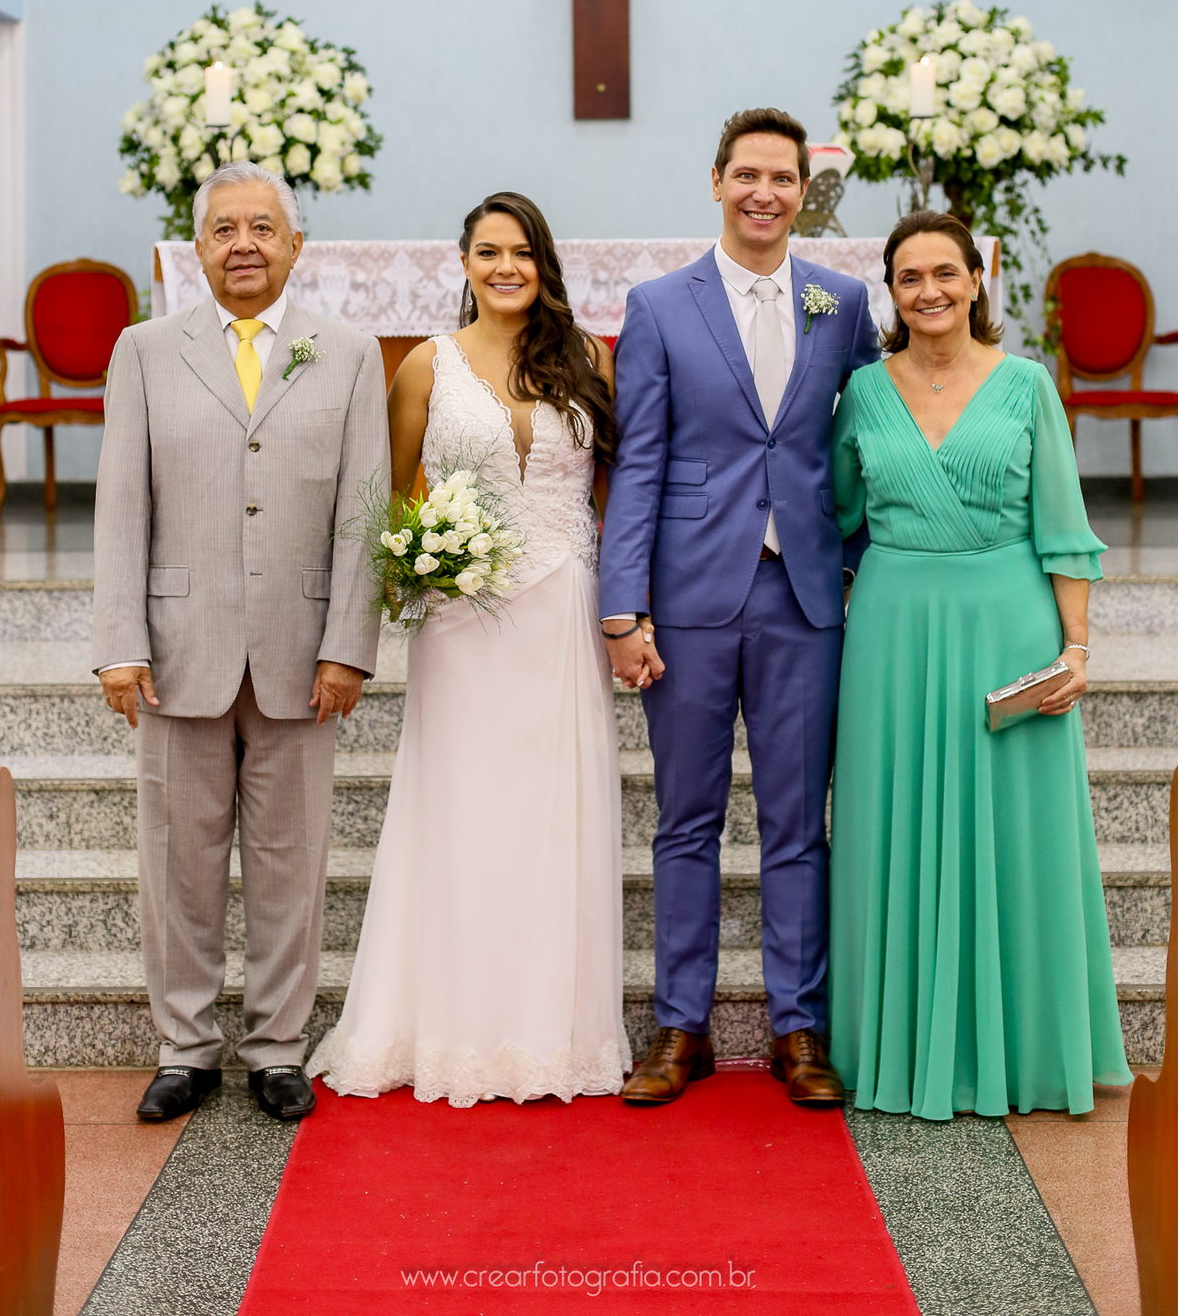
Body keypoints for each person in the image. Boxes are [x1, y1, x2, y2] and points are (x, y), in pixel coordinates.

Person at [309, 192, 630, 1106]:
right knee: (460, 813)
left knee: (553, 816)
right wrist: (414, 563)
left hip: (563, 606)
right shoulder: (426, 365)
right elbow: (383, 494)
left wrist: (629, 608)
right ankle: (446, 1025)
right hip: (461, 623)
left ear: (544, 262)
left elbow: (616, 492)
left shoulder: (589, 360)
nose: (505, 267)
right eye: (488, 251)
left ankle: (550, 1031)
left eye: (521, 251)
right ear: (463, 263)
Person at [93, 163, 388, 1123]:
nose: (244, 244)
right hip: (179, 645)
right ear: (198, 249)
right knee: (177, 859)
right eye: (224, 229)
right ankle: (185, 1046)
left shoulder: (348, 354)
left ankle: (276, 1047)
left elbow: (364, 509)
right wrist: (119, 642)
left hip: (303, 653)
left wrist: (348, 643)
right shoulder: (145, 350)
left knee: (290, 861)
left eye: (263, 227)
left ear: (296, 246)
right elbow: (121, 505)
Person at [599, 110, 880, 1107]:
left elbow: (871, 439)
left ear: (805, 191)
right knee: (687, 817)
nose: (765, 193)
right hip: (689, 592)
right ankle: (682, 1025)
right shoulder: (660, 305)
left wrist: (859, 560)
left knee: (798, 821)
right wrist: (622, 608)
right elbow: (639, 461)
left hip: (804, 593)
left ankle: (798, 1028)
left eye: (783, 178)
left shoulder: (843, 302)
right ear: (716, 182)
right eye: (747, 175)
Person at [828, 209, 1132, 1119]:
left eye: (945, 273)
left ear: (975, 281)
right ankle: (898, 1047)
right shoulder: (862, 393)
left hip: (1009, 625)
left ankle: (1026, 1051)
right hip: (892, 633)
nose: (929, 291)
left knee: (1020, 838)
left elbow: (1065, 528)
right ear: (891, 292)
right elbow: (833, 514)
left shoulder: (1028, 386)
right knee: (893, 828)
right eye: (909, 277)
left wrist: (1075, 650)